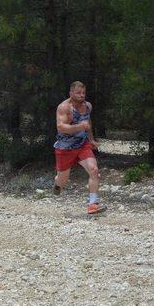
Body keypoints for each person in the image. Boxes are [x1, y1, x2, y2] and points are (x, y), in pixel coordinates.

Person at [53, 81, 105, 214]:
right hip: (65, 148)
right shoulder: (64, 107)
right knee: (63, 180)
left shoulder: (88, 106)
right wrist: (79, 127)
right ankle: (58, 184)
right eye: (78, 93)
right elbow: (61, 127)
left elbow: (88, 122)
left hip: (82, 145)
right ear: (71, 93)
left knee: (94, 170)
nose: (82, 96)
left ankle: (93, 204)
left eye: (83, 93)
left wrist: (91, 139)